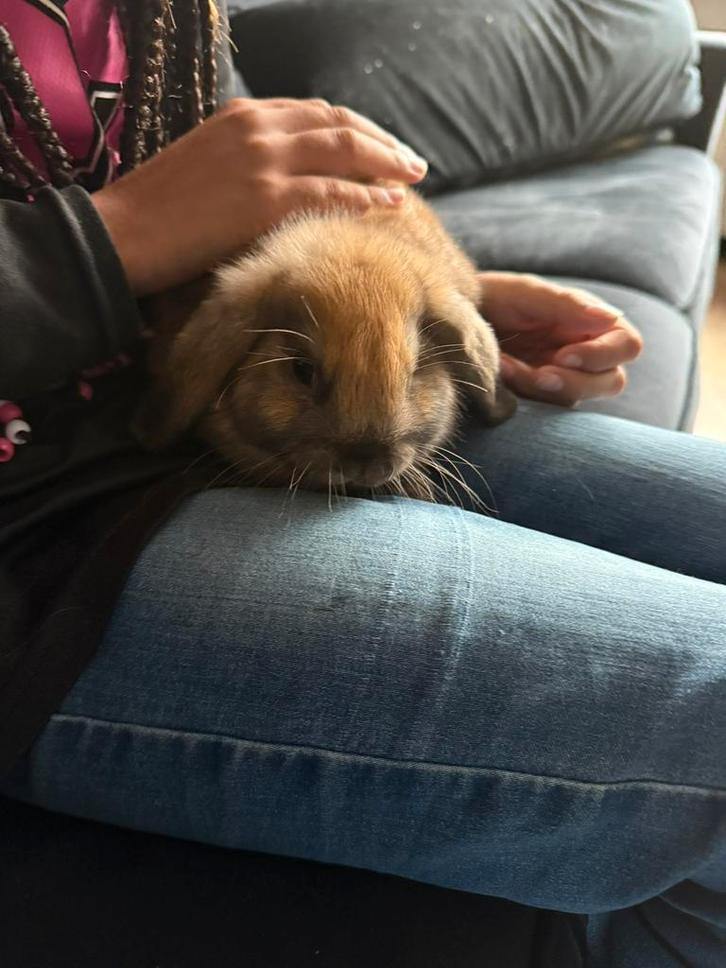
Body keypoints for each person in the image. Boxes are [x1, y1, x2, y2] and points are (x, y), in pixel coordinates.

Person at [0, 2, 724, 966]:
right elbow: (150, 212)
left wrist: (422, 294)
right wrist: (111, 240)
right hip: (44, 532)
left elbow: (218, 152)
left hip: (193, 406)